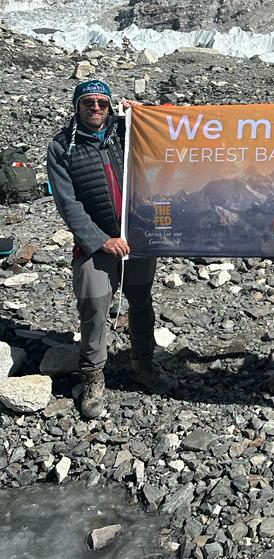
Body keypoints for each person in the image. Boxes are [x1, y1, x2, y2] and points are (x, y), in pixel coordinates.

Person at [47, 80, 172, 419]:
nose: (97, 108)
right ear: (77, 105)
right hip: (95, 244)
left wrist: (142, 112)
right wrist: (99, 239)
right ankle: (92, 376)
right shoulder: (62, 147)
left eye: (103, 102)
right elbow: (68, 202)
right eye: (89, 102)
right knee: (95, 305)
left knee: (141, 301)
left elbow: (171, 129)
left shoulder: (124, 131)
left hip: (137, 236)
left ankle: (143, 364)